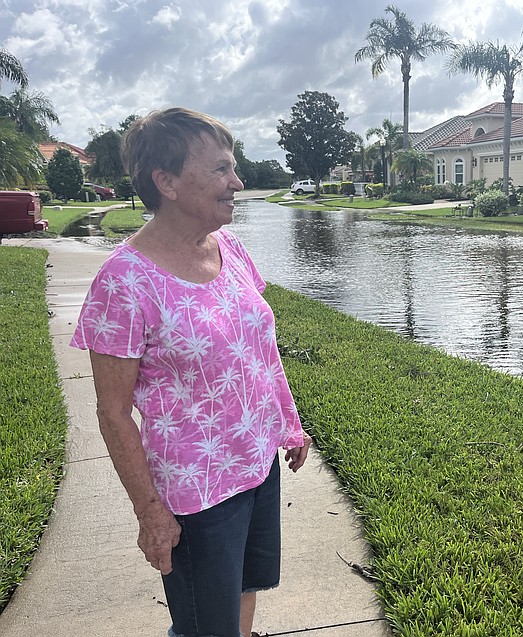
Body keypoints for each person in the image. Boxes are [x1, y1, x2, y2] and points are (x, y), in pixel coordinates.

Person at [71, 107, 310, 637]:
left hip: (256, 464)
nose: (237, 182)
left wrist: (288, 424)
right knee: (204, 625)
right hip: (196, 492)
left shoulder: (229, 247)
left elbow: (257, 352)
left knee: (244, 594)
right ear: (167, 182)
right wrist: (149, 512)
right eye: (222, 169)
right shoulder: (123, 282)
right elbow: (112, 414)